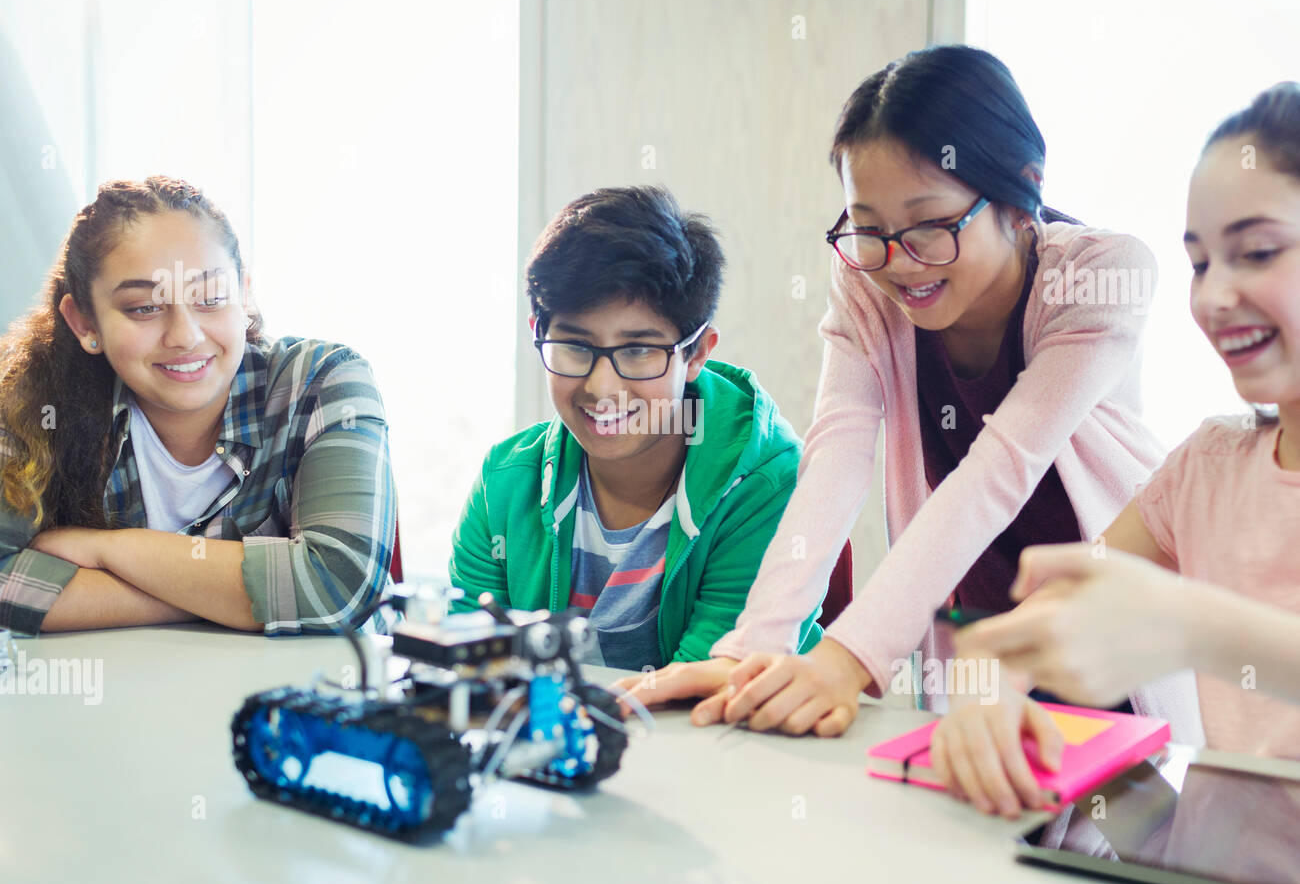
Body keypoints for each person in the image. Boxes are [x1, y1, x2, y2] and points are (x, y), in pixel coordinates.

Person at [617, 44, 1201, 753]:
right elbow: (835, 456)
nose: (897, 261)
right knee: (978, 837)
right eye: (868, 228)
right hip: (980, 636)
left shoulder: (1102, 275)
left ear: (1021, 193)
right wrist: (751, 648)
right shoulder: (866, 283)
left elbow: (1000, 467)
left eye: (928, 227)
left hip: (1102, 622)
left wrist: (852, 656)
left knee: (1118, 837)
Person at [946, 84, 1300, 813]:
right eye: (1201, 264)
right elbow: (1022, 631)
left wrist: (1189, 625)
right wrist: (983, 678)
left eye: (1256, 252)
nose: (1213, 298)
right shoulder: (1208, 467)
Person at [0, 176, 395, 636]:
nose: (185, 335)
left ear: (243, 295)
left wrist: (108, 551)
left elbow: (337, 587)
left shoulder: (323, 380)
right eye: (145, 308)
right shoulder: (34, 405)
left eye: (210, 299)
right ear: (84, 322)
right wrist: (224, 594)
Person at [448, 185, 822, 670]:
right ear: (538, 334)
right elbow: (468, 670)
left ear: (697, 353)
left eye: (639, 350)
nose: (602, 387)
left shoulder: (765, 485)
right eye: (576, 346)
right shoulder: (505, 482)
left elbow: (706, 693)